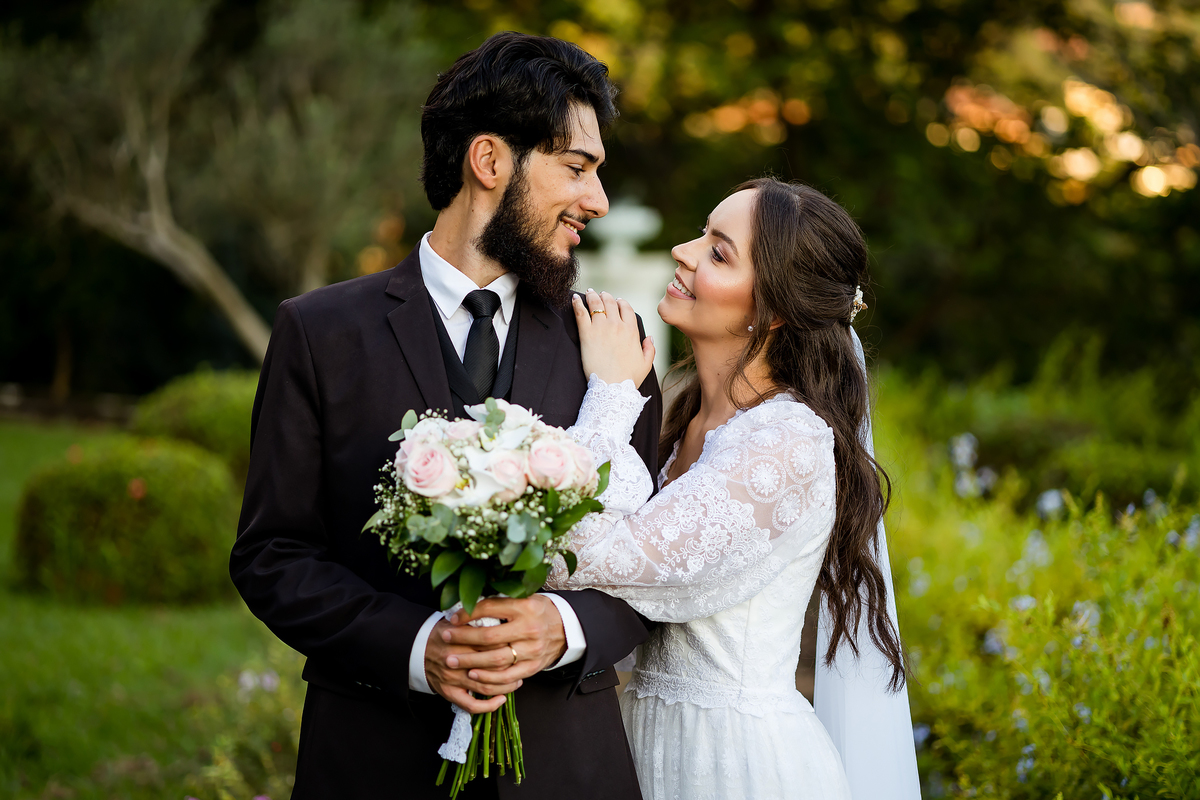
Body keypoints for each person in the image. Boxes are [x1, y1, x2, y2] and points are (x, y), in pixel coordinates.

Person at [230, 32, 662, 799]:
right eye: (576, 168)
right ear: (490, 161)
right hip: (371, 759)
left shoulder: (612, 345)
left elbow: (657, 566)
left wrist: (564, 630)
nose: (596, 201)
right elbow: (273, 555)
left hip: (566, 766)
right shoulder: (319, 332)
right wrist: (418, 645)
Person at [458, 178, 920, 798]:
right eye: (702, 233)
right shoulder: (690, 424)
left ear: (772, 310)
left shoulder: (786, 444)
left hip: (739, 766)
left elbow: (587, 556)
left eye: (718, 252)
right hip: (646, 742)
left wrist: (613, 394)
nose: (683, 250)